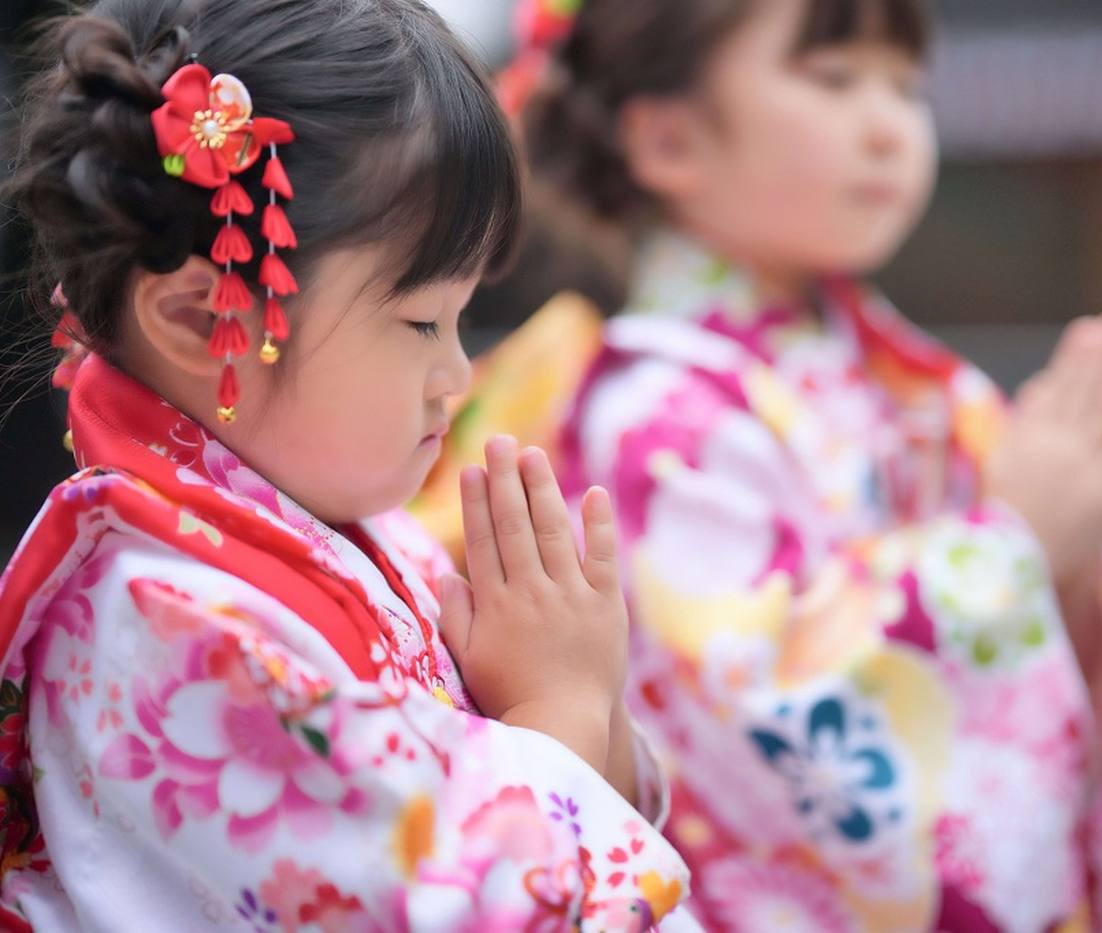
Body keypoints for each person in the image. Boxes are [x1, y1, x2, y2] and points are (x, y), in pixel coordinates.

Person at [429, 0, 1102, 929]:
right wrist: (1015, 551)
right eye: (834, 79)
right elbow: (758, 732)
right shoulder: (650, 415)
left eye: (906, 87)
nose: (888, 125)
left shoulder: (910, 382)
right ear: (668, 140)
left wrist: (1078, 553)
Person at [0, 0, 695, 928]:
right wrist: (558, 700)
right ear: (207, 320)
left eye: (459, 320)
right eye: (421, 323)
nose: (454, 371)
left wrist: (583, 693)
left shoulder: (331, 529)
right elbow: (459, 905)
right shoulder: (162, 619)